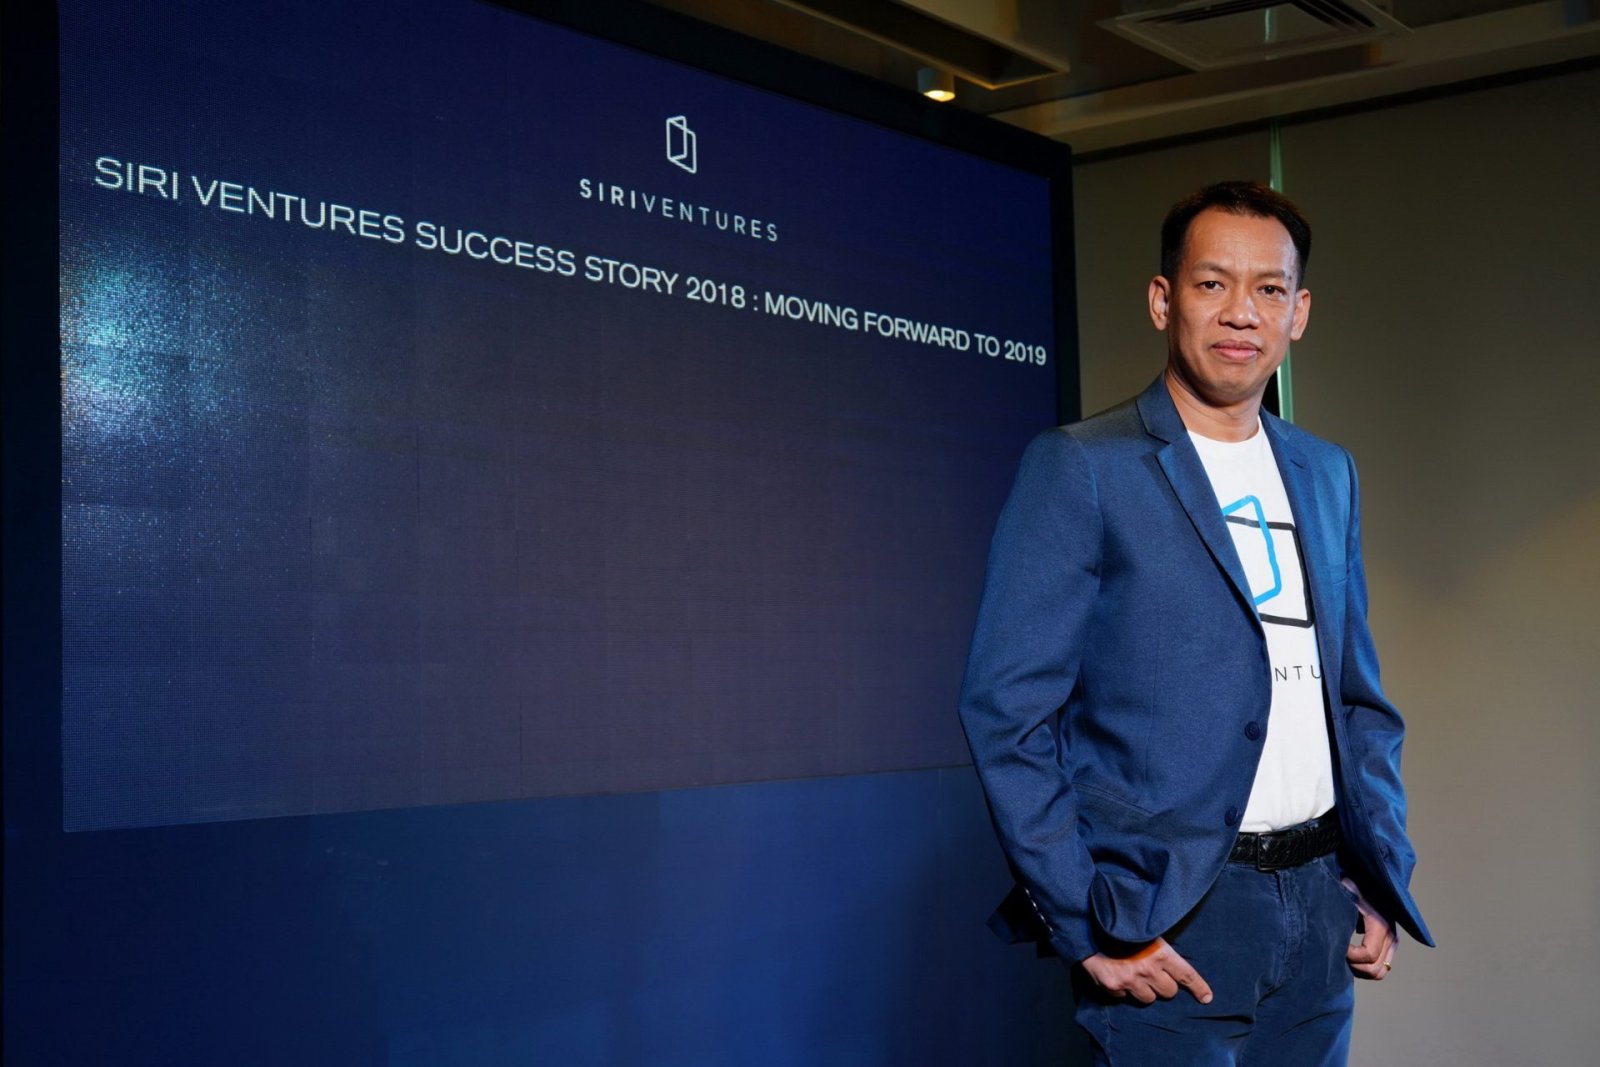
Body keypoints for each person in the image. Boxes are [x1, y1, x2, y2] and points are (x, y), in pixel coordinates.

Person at [958, 181, 1431, 1064]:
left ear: (1298, 313)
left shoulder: (1327, 472)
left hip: (1319, 905)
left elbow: (1358, 700)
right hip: (1171, 914)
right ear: (1162, 299)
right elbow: (1006, 712)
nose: (1241, 311)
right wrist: (1086, 919)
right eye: (1213, 283)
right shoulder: (1083, 466)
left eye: (1269, 289)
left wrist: (1378, 874)